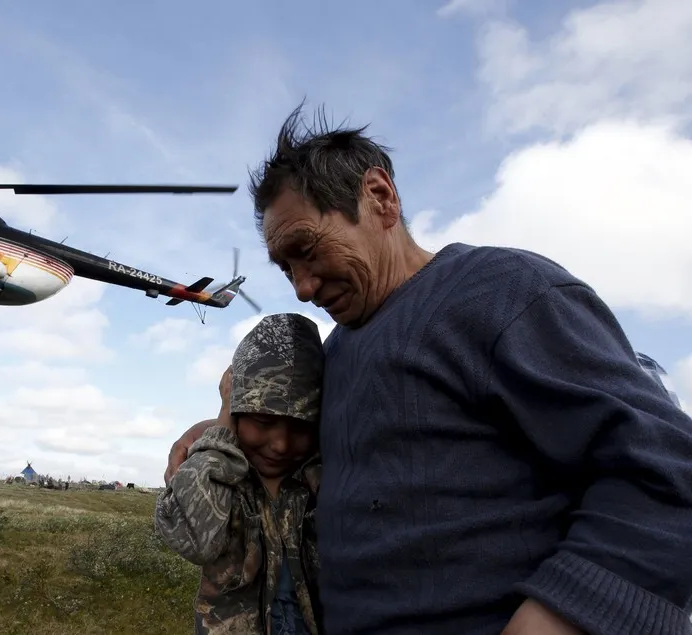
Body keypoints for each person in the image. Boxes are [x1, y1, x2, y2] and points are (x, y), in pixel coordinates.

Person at [166, 104, 692, 635]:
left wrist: (562, 616)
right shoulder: (339, 353)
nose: (301, 287)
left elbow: (664, 470)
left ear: (379, 198)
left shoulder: (502, 293)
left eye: (307, 250)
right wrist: (218, 427)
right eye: (286, 269)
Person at [155, 313, 325, 634]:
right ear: (236, 413)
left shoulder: (321, 474)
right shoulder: (224, 473)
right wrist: (220, 434)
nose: (281, 444)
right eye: (262, 423)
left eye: (300, 427)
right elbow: (193, 541)